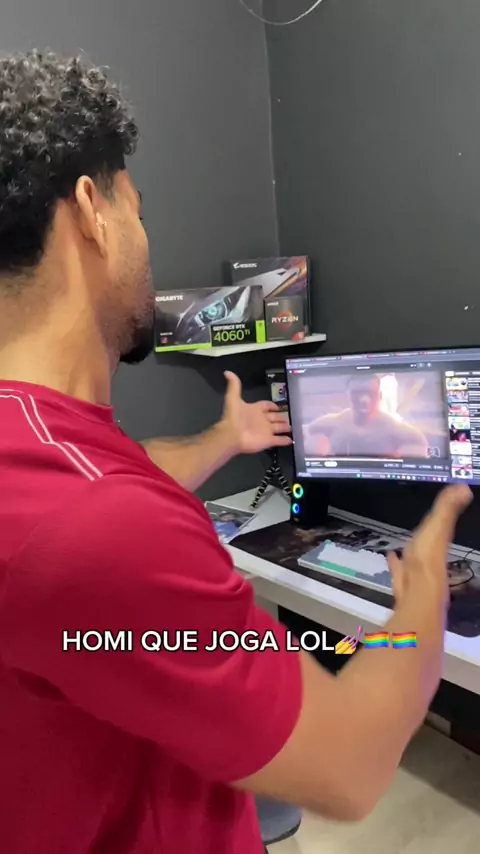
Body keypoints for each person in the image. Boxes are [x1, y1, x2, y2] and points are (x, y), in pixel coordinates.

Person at [0, 50, 472, 854]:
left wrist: (224, 439)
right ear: (90, 211)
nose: (146, 241)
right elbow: (351, 763)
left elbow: (114, 477)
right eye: (138, 211)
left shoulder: (38, 450)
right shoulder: (96, 523)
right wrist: (422, 605)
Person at [307, 374, 429, 457]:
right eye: (357, 393)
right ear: (348, 395)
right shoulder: (326, 425)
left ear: (380, 396)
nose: (364, 399)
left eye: (370, 393)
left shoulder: (405, 434)